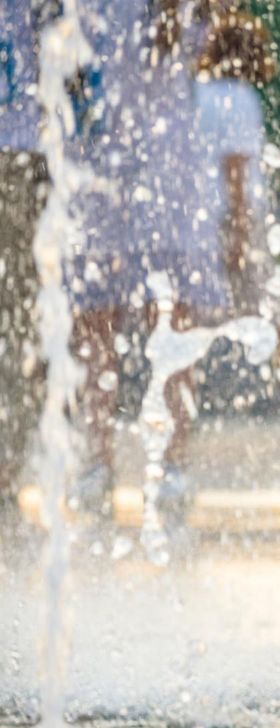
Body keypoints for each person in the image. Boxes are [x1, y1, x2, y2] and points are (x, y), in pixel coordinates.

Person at [69, 0, 228, 519]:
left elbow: (204, 38)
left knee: (174, 316)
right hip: (98, 157)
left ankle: (171, 463)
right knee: (96, 320)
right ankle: (98, 459)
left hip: (164, 162)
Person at [195, 12, 280, 424]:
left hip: (203, 216)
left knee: (195, 316)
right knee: (274, 314)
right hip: (237, 216)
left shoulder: (199, 93)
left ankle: (179, 412)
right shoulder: (240, 98)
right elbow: (236, 168)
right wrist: (241, 231)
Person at [0, 1, 56, 517]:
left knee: (20, 322)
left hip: (22, 152)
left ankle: (9, 467)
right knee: (19, 322)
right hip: (22, 154)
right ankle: (9, 466)